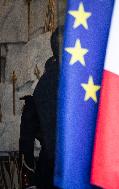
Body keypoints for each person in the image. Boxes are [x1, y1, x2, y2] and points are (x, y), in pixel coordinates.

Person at [19, 26, 63, 189]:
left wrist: (29, 168)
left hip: (48, 170)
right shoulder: (61, 81)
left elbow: (26, 137)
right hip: (63, 168)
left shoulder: (43, 83)